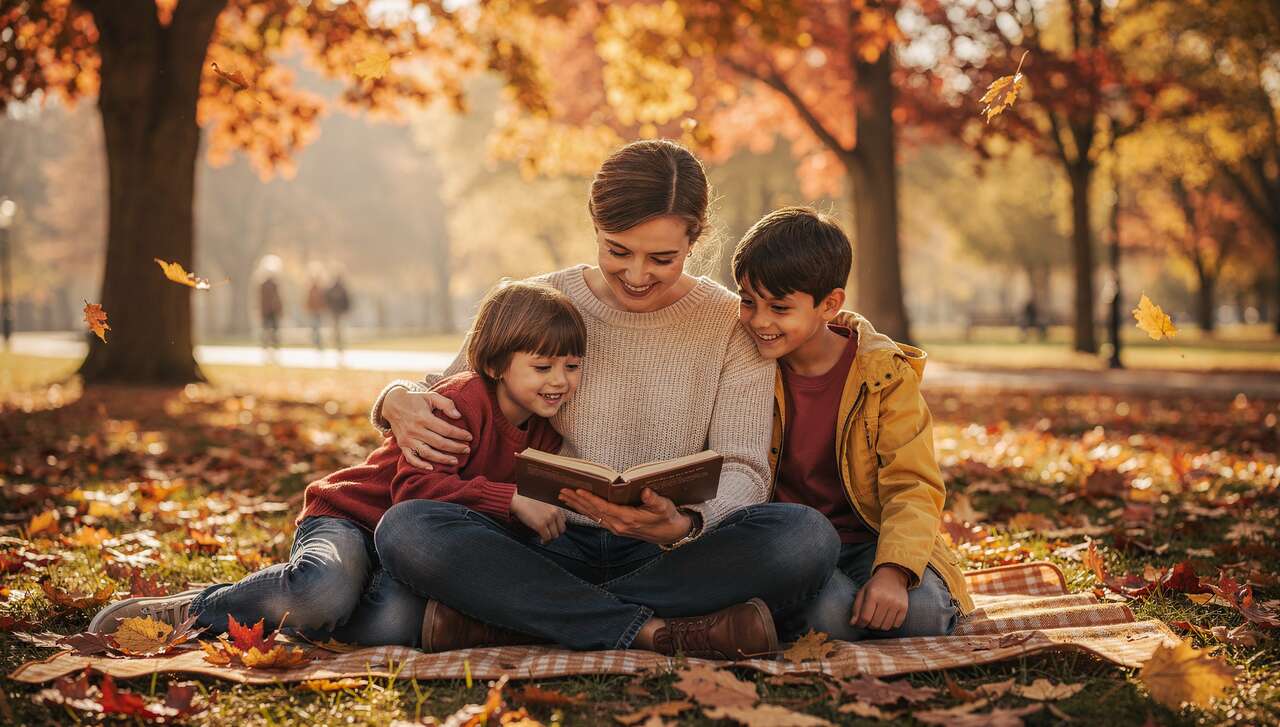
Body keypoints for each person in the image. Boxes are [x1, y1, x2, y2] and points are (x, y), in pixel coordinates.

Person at [371, 139, 839, 658]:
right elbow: (456, 385)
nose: (637, 276)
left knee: (805, 538)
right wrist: (396, 396)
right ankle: (651, 630)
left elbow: (746, 468)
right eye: (618, 250)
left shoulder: (730, 323)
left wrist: (684, 525)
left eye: (662, 258)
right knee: (408, 531)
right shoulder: (543, 299)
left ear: (695, 239)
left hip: (670, 552)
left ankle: (515, 619)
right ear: (595, 225)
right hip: (543, 541)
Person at [86, 281, 587, 647]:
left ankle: (281, 600)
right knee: (321, 595)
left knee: (392, 628)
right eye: (543, 367)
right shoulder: (461, 404)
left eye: (572, 366)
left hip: (405, 555)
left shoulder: (545, 432)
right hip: (352, 519)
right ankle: (196, 609)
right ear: (497, 364)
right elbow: (414, 496)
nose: (560, 381)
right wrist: (511, 501)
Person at [733, 207, 974, 641]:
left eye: (780, 307)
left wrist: (894, 572)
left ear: (830, 305)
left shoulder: (884, 374)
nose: (759, 320)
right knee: (828, 617)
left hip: (872, 540)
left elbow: (913, 484)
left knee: (923, 616)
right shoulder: (744, 365)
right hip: (795, 546)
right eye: (748, 301)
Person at [326, 274, 352, 353]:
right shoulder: (340, 289)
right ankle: (338, 344)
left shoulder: (336, 289)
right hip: (337, 312)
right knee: (338, 329)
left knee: (338, 329)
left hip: (337, 312)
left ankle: (338, 344)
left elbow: (347, 301)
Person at [258, 273, 283, 353]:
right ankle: (267, 344)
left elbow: (278, 298)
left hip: (272, 311)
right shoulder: (264, 286)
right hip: (268, 311)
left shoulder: (274, 285)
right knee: (267, 329)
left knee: (272, 329)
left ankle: (273, 343)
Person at [305, 272, 327, 350]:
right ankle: (316, 342)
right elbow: (308, 301)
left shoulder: (320, 290)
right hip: (313, 311)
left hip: (318, 312)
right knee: (315, 327)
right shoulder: (311, 289)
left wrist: (323, 308)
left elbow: (324, 301)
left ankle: (318, 342)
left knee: (317, 327)